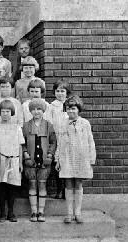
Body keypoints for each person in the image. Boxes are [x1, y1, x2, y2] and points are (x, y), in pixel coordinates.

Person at [55, 95, 96, 224]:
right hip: (67, 157)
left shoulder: (85, 123)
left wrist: (91, 159)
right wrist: (58, 159)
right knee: (68, 183)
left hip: (81, 157)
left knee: (78, 183)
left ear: (78, 109)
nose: (71, 111)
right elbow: (60, 142)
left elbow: (90, 141)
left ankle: (77, 213)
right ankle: (69, 213)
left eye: (73, 108)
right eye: (68, 109)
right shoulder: (63, 124)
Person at [22, 98, 56, 222]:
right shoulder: (26, 126)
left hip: (44, 162)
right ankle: (33, 211)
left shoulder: (48, 125)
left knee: (42, 184)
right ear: (30, 111)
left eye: (39, 109)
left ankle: (41, 211)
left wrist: (50, 156)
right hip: (30, 161)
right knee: (32, 184)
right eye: (34, 109)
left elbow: (53, 142)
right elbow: (22, 143)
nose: (36, 112)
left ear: (43, 111)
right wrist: (26, 156)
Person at [0, 100, 25, 222]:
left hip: (14, 160)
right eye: (3, 111)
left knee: (12, 187)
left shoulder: (17, 128)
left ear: (12, 113)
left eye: (8, 111)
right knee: (1, 187)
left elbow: (20, 146)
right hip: (0, 159)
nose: (5, 114)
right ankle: (2, 213)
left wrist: (20, 163)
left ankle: (11, 212)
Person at [48, 79, 71, 199]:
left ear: (67, 92)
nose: (60, 93)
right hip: (56, 136)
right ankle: (59, 189)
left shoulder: (71, 105)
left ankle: (67, 190)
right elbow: (50, 122)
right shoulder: (52, 106)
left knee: (67, 163)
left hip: (67, 138)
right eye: (58, 91)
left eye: (62, 91)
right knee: (56, 164)